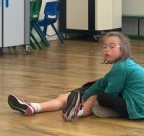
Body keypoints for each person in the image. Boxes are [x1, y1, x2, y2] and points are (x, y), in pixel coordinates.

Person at [8, 31, 144, 121]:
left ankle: (73, 111)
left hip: (137, 107)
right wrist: (83, 96)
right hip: (131, 100)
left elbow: (109, 92)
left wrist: (87, 99)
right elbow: (101, 83)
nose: (106, 50)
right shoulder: (123, 66)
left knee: (97, 96)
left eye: (112, 46)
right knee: (79, 93)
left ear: (123, 49)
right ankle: (34, 107)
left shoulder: (121, 67)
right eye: (104, 47)